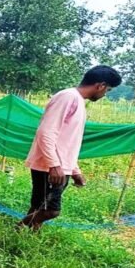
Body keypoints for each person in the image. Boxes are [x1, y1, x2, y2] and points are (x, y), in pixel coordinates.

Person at [19, 65, 122, 230]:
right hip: (50, 166)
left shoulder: (77, 101)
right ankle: (17, 228)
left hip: (58, 165)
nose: (105, 94)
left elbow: (66, 142)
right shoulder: (68, 97)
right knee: (51, 211)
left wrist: (74, 171)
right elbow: (45, 132)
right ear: (100, 85)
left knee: (40, 207)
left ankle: (27, 239)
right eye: (107, 90)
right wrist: (54, 165)